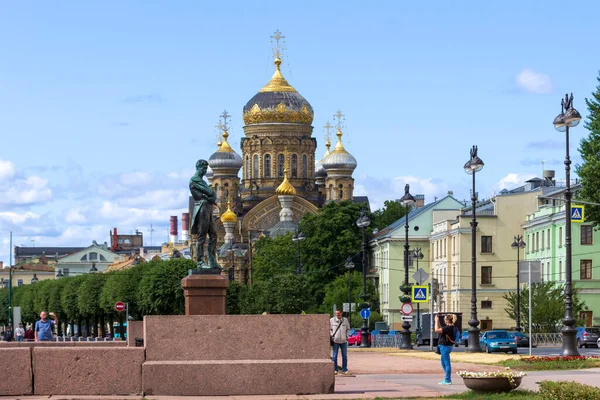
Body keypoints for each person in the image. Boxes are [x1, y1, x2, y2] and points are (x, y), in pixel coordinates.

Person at [189, 159, 221, 270]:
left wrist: (209, 194)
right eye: (204, 168)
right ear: (198, 167)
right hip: (202, 208)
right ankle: (200, 262)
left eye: (206, 168)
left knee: (213, 235)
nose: (205, 171)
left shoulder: (202, 182)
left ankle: (212, 260)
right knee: (201, 237)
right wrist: (209, 194)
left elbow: (211, 195)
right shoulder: (194, 180)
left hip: (208, 208)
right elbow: (209, 193)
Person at [435, 314, 456, 385]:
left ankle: (447, 380)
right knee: (443, 363)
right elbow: (441, 329)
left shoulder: (448, 328)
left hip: (445, 346)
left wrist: (436, 321)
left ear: (447, 320)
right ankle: (447, 377)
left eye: (444, 319)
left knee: (447, 364)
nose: (444, 320)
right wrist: (438, 322)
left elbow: (436, 330)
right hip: (446, 346)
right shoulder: (450, 327)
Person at [330, 309, 351, 375]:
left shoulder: (345, 320)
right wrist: (332, 336)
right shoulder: (332, 320)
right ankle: (335, 369)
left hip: (343, 341)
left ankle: (344, 369)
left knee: (344, 356)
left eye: (338, 313)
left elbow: (348, 329)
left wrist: (346, 336)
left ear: (341, 313)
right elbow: (329, 329)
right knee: (334, 356)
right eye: (336, 313)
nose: (337, 315)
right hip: (335, 340)